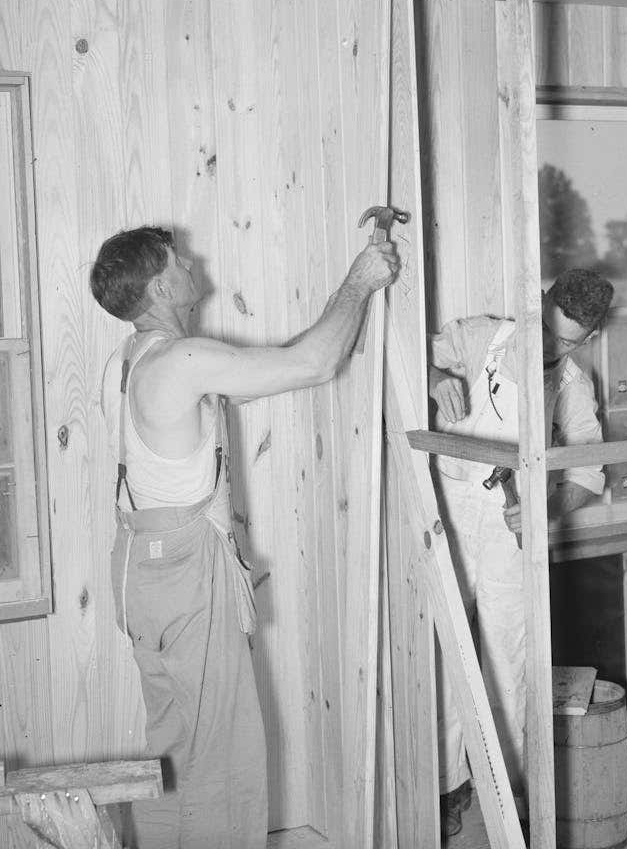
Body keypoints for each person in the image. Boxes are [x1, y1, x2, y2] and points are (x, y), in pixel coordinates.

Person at [90, 224, 399, 849]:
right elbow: (315, 363)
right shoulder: (183, 359)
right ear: (159, 284)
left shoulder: (127, 360)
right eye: (178, 259)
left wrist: (346, 309)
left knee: (174, 746)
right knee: (221, 754)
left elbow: (284, 360)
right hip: (183, 571)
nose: (190, 260)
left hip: (138, 570)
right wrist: (361, 280)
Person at [427, 268, 614, 838]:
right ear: (537, 307)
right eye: (550, 333)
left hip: (511, 523)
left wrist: (547, 509)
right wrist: (433, 377)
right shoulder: (482, 336)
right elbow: (412, 356)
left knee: (511, 656)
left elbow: (587, 470)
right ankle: (446, 784)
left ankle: (511, 790)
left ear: (586, 339)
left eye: (569, 342)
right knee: (445, 648)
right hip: (449, 506)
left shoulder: (573, 385)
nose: (553, 349)